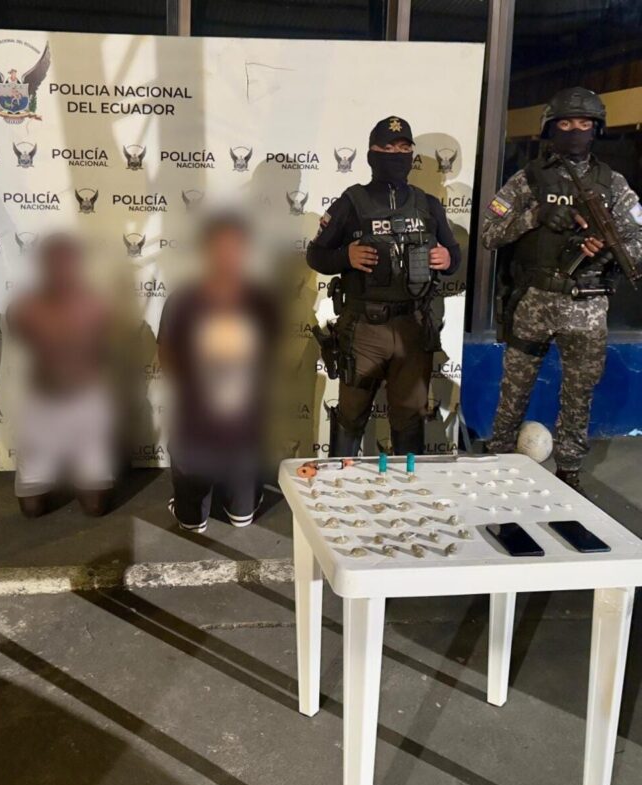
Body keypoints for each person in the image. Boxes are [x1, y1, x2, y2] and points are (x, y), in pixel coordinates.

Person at [483, 87, 642, 491]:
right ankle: (499, 461)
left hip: (588, 305)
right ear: (551, 128)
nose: (575, 131)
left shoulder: (613, 184)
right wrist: (536, 215)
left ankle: (569, 472)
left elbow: (637, 243)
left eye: (584, 124)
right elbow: (490, 233)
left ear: (596, 129)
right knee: (514, 388)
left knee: (578, 394)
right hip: (535, 300)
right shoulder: (529, 179)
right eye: (566, 123)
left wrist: (605, 250)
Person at [306, 115, 461, 456]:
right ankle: (341, 483)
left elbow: (454, 257)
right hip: (364, 330)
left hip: (413, 328)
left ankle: (409, 484)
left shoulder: (428, 204)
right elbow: (315, 255)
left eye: (404, 148)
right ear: (372, 154)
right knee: (351, 415)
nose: (396, 154)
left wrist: (447, 258)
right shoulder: (351, 202)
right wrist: (345, 256)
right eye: (388, 148)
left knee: (409, 418)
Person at [158, 212, 279, 534]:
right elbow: (166, 353)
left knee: (242, 521)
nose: (227, 257)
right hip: (196, 422)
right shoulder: (182, 301)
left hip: (240, 423)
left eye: (234, 249)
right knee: (191, 524)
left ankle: (235, 488)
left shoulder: (260, 301)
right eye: (219, 249)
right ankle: (192, 495)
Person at [6, 234, 116, 517]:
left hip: (86, 404)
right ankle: (53, 471)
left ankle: (85, 471)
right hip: (42, 405)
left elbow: (103, 347)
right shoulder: (23, 307)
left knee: (95, 508)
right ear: (42, 265)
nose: (61, 269)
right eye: (54, 262)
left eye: (67, 262)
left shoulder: (96, 304)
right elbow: (22, 336)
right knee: (31, 511)